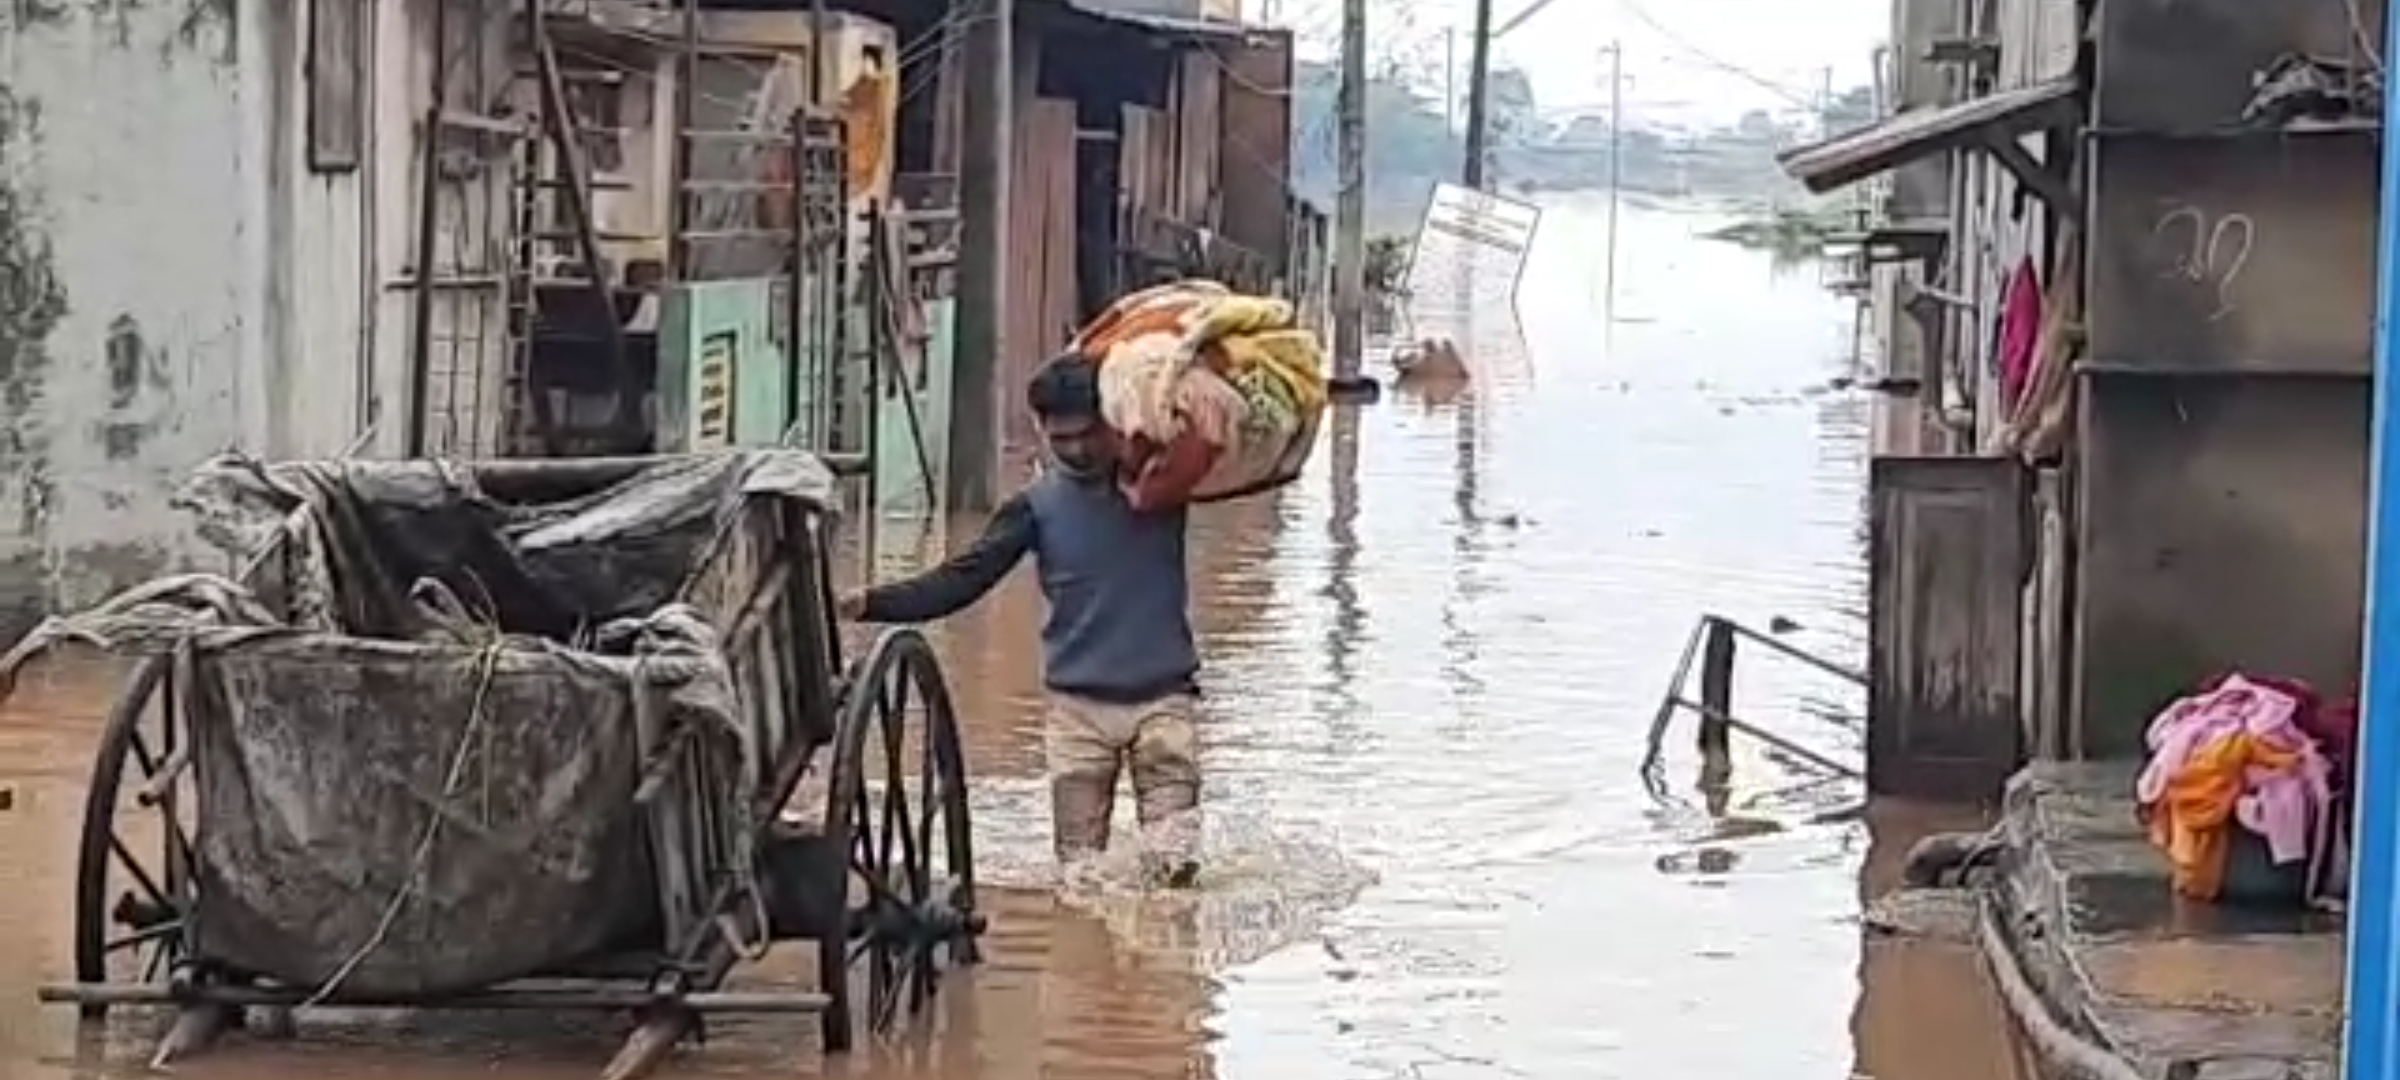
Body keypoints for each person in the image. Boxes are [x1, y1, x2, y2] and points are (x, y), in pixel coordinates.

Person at [837, 356, 1202, 886]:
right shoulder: (1035, 508)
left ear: (1113, 420)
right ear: (1041, 431)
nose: (1076, 450)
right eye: (1061, 439)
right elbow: (964, 579)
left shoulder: (1163, 485)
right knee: (1080, 878)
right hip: (1078, 712)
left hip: (1165, 702)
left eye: (1086, 435)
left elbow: (1236, 452)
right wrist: (871, 602)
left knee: (1176, 873)